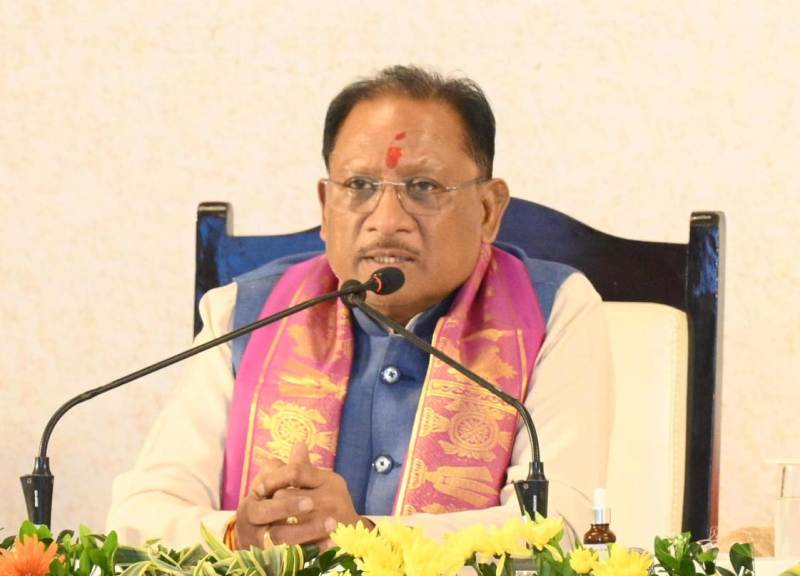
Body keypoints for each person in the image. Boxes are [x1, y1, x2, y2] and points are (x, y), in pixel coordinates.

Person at [107, 65, 612, 550]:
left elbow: (559, 524)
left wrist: (365, 539)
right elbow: (140, 515)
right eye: (360, 187)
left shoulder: (552, 312)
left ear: (487, 210)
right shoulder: (247, 315)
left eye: (423, 187)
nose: (386, 221)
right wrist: (240, 536)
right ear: (326, 206)